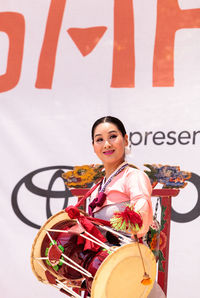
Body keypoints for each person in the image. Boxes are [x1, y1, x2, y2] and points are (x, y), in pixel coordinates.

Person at [89, 115, 165, 298]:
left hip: (130, 273)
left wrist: (128, 220)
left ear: (126, 139)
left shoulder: (134, 177)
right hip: (109, 276)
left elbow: (140, 221)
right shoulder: (98, 186)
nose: (106, 144)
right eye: (99, 139)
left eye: (113, 136)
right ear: (94, 147)